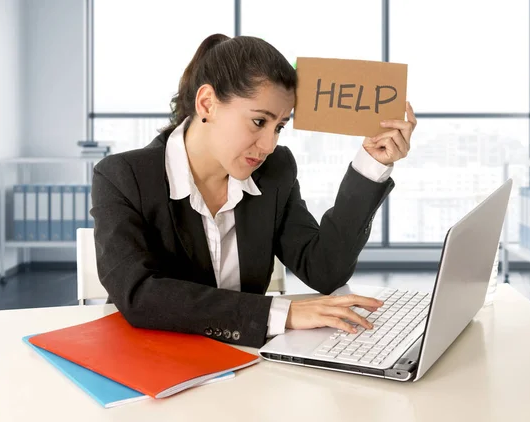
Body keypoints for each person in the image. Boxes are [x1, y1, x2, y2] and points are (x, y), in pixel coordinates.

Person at [91, 34, 417, 349]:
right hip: (152, 362)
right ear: (207, 104)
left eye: (279, 127)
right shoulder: (123, 177)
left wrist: (371, 165)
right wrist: (281, 314)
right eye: (259, 122)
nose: (269, 145)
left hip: (246, 367)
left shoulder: (274, 172)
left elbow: (325, 270)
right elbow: (139, 294)